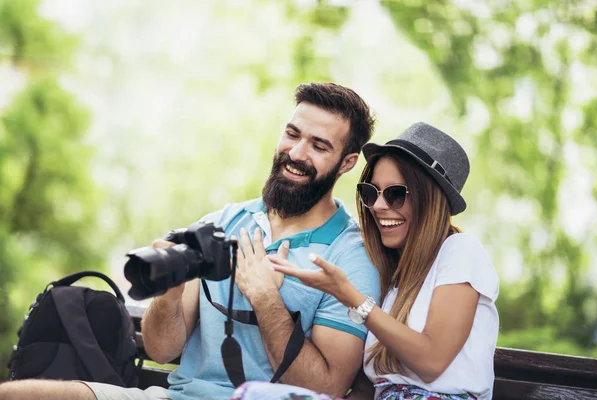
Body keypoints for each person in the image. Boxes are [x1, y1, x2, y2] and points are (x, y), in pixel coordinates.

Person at [0, 82, 381, 400]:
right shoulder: (224, 222)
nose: (296, 153)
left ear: (347, 163)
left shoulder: (350, 258)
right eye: (292, 134)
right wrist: (167, 295)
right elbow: (162, 349)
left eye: (318, 146)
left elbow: (326, 388)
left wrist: (266, 299)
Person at [243, 122, 499, 400]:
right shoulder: (393, 275)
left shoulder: (460, 250)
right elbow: (369, 388)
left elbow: (431, 362)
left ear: (430, 199)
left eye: (395, 194)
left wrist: (348, 296)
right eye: (371, 192)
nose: (377, 205)